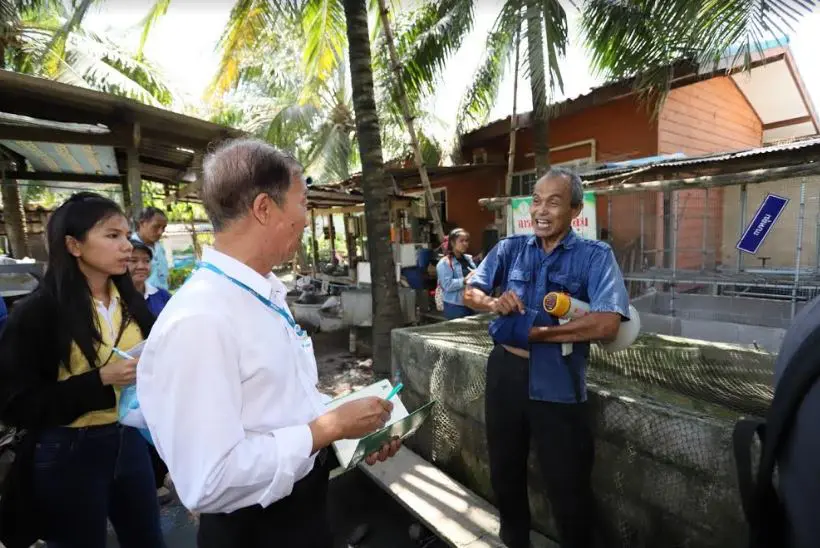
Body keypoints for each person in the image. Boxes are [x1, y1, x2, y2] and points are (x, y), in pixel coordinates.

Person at [137, 138, 401, 548]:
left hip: (302, 512)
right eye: (303, 203)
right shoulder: (201, 319)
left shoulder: (265, 291)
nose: (307, 218)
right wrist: (326, 428)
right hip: (254, 531)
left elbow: (277, 411)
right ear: (264, 208)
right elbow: (210, 480)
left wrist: (350, 433)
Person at [464, 167, 630, 548]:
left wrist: (537, 334)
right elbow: (470, 290)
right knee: (505, 470)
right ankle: (514, 541)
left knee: (567, 482)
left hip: (558, 380)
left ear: (574, 210)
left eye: (553, 202)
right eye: (536, 200)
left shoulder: (595, 256)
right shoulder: (510, 248)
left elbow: (606, 325)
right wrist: (493, 301)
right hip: (504, 373)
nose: (541, 210)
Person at [0, 192, 166, 548]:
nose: (127, 246)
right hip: (68, 450)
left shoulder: (131, 303)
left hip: (130, 441)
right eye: (112, 236)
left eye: (126, 235)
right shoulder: (39, 312)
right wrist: (100, 380)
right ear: (74, 245)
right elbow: (16, 403)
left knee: (148, 541)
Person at [126, 238, 173, 499]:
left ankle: (160, 480)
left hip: (158, 375)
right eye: (134, 260)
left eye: (145, 260)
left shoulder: (162, 297)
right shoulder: (117, 300)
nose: (141, 266)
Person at [436, 228, 477, 320]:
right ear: (452, 243)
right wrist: (465, 281)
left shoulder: (468, 259)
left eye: (466, 241)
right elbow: (447, 285)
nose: (465, 244)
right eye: (461, 241)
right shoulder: (444, 263)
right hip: (455, 306)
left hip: (470, 303)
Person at [128, 239, 172, 317]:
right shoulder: (115, 298)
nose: (141, 266)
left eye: (147, 261)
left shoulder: (162, 295)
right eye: (134, 261)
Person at [132, 206, 169, 291]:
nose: (160, 232)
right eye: (156, 226)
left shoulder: (159, 247)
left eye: (163, 228)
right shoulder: (130, 248)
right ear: (142, 223)